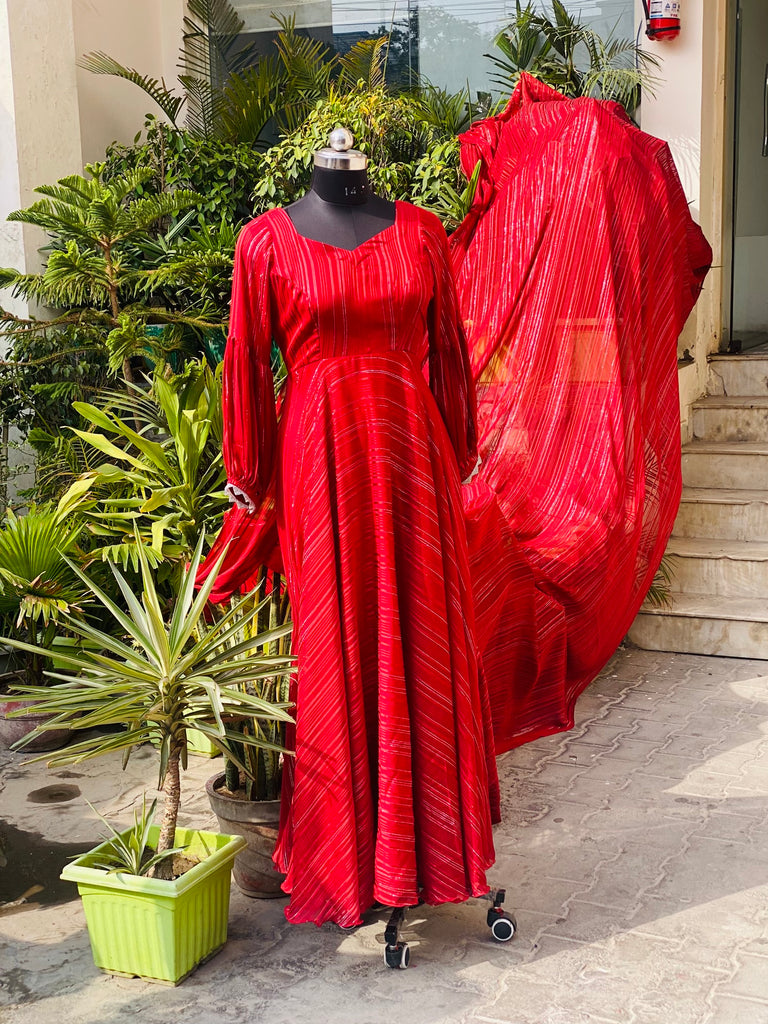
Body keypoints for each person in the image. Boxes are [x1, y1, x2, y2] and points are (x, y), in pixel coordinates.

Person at [202, 128, 499, 928]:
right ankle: (354, 858)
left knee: (422, 636)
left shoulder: (423, 233)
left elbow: (448, 351)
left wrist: (458, 443)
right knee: (338, 641)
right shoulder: (264, 242)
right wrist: (249, 470)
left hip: (412, 460)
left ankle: (430, 850)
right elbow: (246, 359)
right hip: (319, 462)